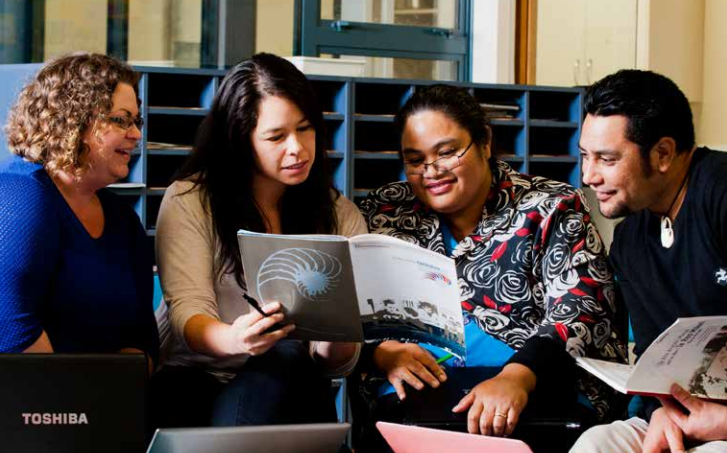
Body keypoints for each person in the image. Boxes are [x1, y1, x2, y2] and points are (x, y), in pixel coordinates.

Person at [358, 84, 626, 451]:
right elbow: (353, 309)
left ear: (484, 142)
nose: (431, 172)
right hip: (418, 393)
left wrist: (516, 377)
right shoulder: (387, 210)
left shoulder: (551, 206)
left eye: (447, 153)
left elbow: (583, 307)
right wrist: (379, 352)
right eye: (415, 160)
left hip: (533, 387)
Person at [152, 53, 366, 428]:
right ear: (239, 139)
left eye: (305, 129)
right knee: (285, 358)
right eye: (276, 136)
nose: (297, 148)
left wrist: (339, 332)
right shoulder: (190, 201)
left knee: (290, 361)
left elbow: (335, 363)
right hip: (195, 382)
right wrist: (237, 338)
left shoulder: (340, 215)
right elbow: (188, 313)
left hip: (285, 383)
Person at [571, 69, 727, 453]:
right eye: (585, 156)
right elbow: (656, 359)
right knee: (598, 442)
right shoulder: (629, 240)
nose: (589, 176)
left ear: (662, 154)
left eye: (606, 159)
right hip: (683, 413)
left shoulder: (720, 194)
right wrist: (661, 412)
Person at [0, 53, 159, 366]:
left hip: (105, 403)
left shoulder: (121, 219)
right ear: (74, 120)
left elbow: (144, 340)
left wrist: (110, 391)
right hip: (35, 406)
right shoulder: (21, 195)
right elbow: (11, 327)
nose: (136, 134)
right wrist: (75, 404)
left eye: (136, 121)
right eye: (120, 120)